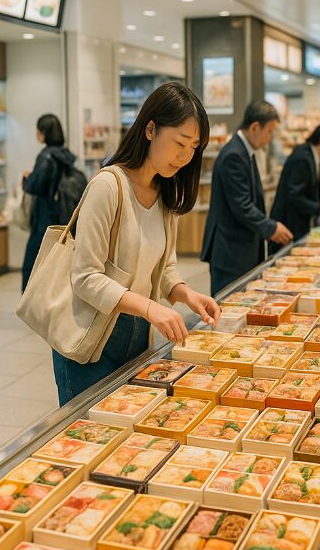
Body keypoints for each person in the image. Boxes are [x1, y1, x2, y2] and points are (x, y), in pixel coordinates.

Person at [54, 82, 220, 405]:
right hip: (89, 342)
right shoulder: (107, 186)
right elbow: (85, 278)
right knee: (92, 440)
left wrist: (187, 294)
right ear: (150, 129)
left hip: (137, 338)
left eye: (193, 148)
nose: (185, 157)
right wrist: (149, 307)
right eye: (179, 143)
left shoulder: (166, 194)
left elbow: (164, 267)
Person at [201, 101, 293, 295]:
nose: (271, 138)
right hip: (231, 251)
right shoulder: (233, 155)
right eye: (270, 131)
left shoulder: (244, 151)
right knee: (227, 308)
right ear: (254, 127)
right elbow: (241, 205)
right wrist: (271, 227)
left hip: (241, 249)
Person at [269, 119, 320, 252]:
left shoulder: (314, 156)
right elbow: (294, 195)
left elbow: (317, 188)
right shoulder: (303, 157)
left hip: (298, 226)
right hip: (288, 229)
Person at [21, 113, 76, 290]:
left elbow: (35, 186)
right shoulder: (65, 155)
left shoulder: (46, 156)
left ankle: (33, 305)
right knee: (55, 267)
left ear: (43, 132)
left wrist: (26, 179)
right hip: (62, 216)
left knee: (33, 266)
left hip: (44, 219)